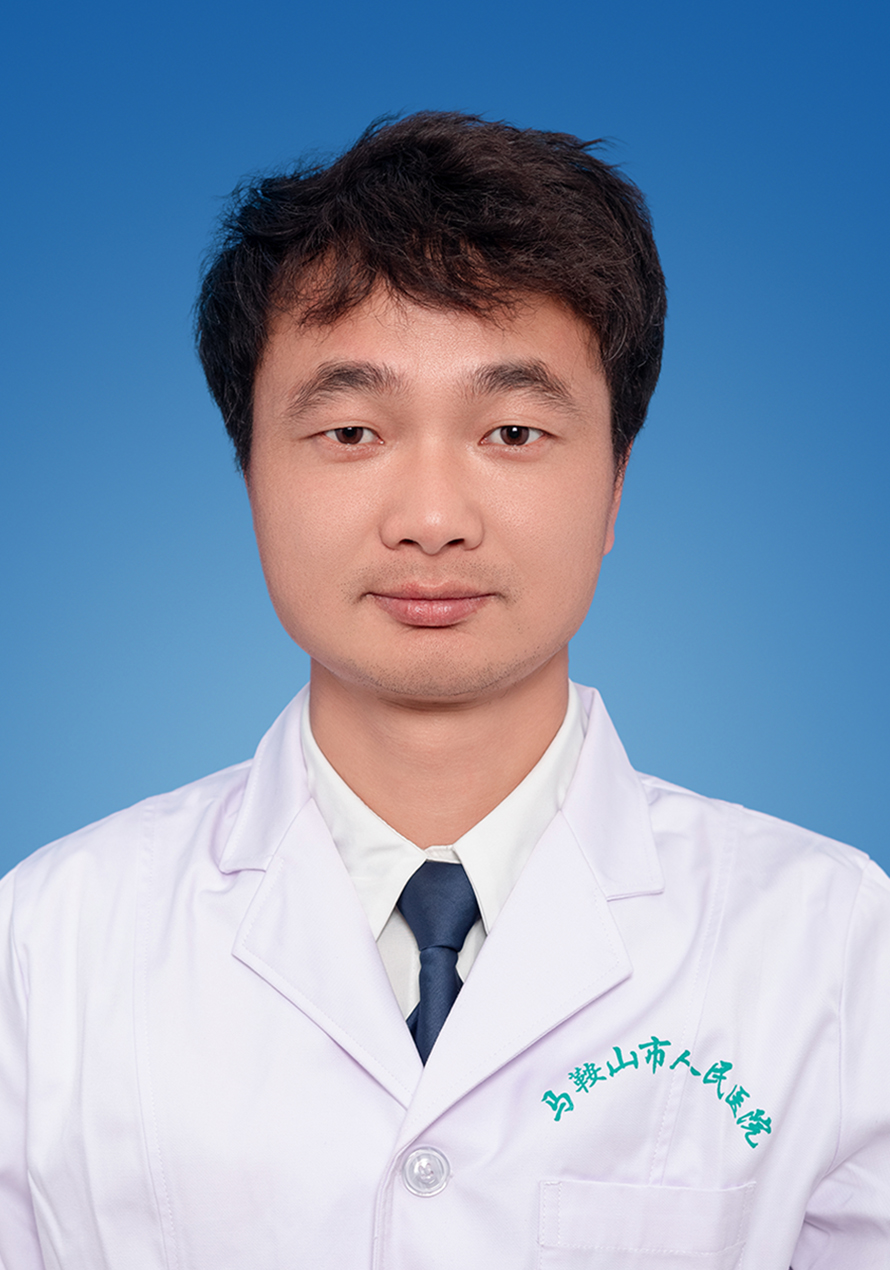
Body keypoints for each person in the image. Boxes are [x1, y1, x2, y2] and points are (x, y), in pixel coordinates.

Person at [1, 112, 887, 1269]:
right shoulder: (50, 943)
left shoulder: (832, 944)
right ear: (250, 473)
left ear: (615, 483)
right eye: (351, 430)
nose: (431, 518)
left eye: (510, 430)